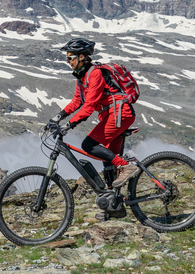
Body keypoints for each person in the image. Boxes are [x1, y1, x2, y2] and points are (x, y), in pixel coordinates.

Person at [48, 38, 138, 191]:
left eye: (70, 57)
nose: (67, 61)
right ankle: (112, 201)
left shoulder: (95, 74)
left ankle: (127, 167)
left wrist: (68, 125)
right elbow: (77, 101)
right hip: (111, 115)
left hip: (120, 114)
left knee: (88, 145)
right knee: (108, 160)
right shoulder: (82, 76)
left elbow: (89, 106)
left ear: (81, 57)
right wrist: (56, 118)